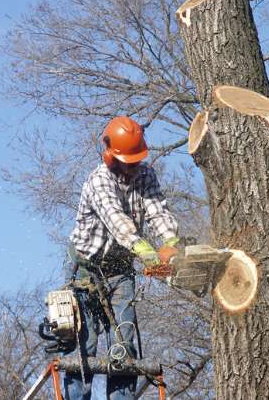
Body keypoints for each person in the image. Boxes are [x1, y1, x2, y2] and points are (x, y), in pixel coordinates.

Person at [64, 115, 179, 400]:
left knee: (124, 346)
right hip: (86, 272)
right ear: (110, 155)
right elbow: (116, 220)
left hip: (121, 272)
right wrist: (144, 250)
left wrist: (170, 242)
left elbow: (157, 211)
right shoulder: (99, 181)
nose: (131, 166)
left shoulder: (146, 175)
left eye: (135, 160)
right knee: (84, 347)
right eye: (127, 161)